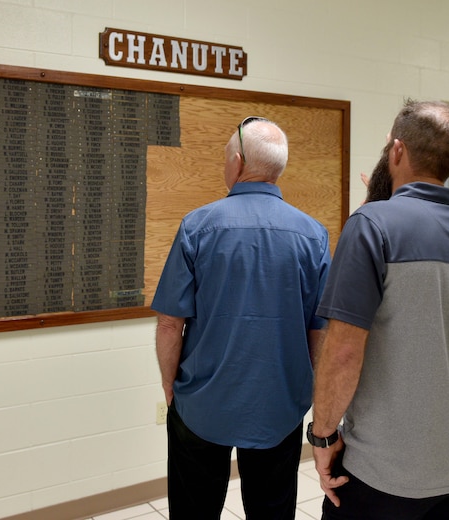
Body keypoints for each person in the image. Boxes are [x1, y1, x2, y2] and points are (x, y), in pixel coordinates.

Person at [309, 100, 449, 520]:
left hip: (381, 471)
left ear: (397, 151)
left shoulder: (372, 225)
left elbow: (342, 352)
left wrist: (322, 438)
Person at [151, 116, 331, 519]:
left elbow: (169, 324)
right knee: (272, 510)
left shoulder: (197, 226)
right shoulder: (313, 235)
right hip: (279, 406)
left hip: (201, 404)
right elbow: (320, 330)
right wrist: (312, 395)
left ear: (236, 161)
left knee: (193, 510)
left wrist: (170, 388)